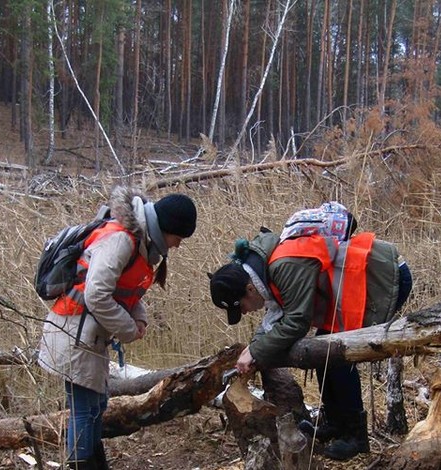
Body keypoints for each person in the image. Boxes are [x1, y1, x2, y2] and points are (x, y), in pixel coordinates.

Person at [208, 226, 412, 461]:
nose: (244, 312)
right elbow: (274, 317)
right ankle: (335, 423)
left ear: (250, 289)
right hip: (360, 278)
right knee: (325, 348)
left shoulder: (282, 266)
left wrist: (256, 350)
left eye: (241, 306)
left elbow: (296, 321)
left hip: (381, 275)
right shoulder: (262, 272)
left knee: (336, 355)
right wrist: (252, 349)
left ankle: (355, 436)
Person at [38, 186, 197, 470]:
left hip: (88, 337)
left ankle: (94, 463)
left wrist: (139, 320)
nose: (178, 244)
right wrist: (127, 328)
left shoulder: (141, 244)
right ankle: (81, 465)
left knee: (96, 407)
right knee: (84, 411)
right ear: (166, 227)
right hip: (73, 335)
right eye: (179, 237)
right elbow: (96, 294)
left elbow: (126, 291)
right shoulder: (122, 240)